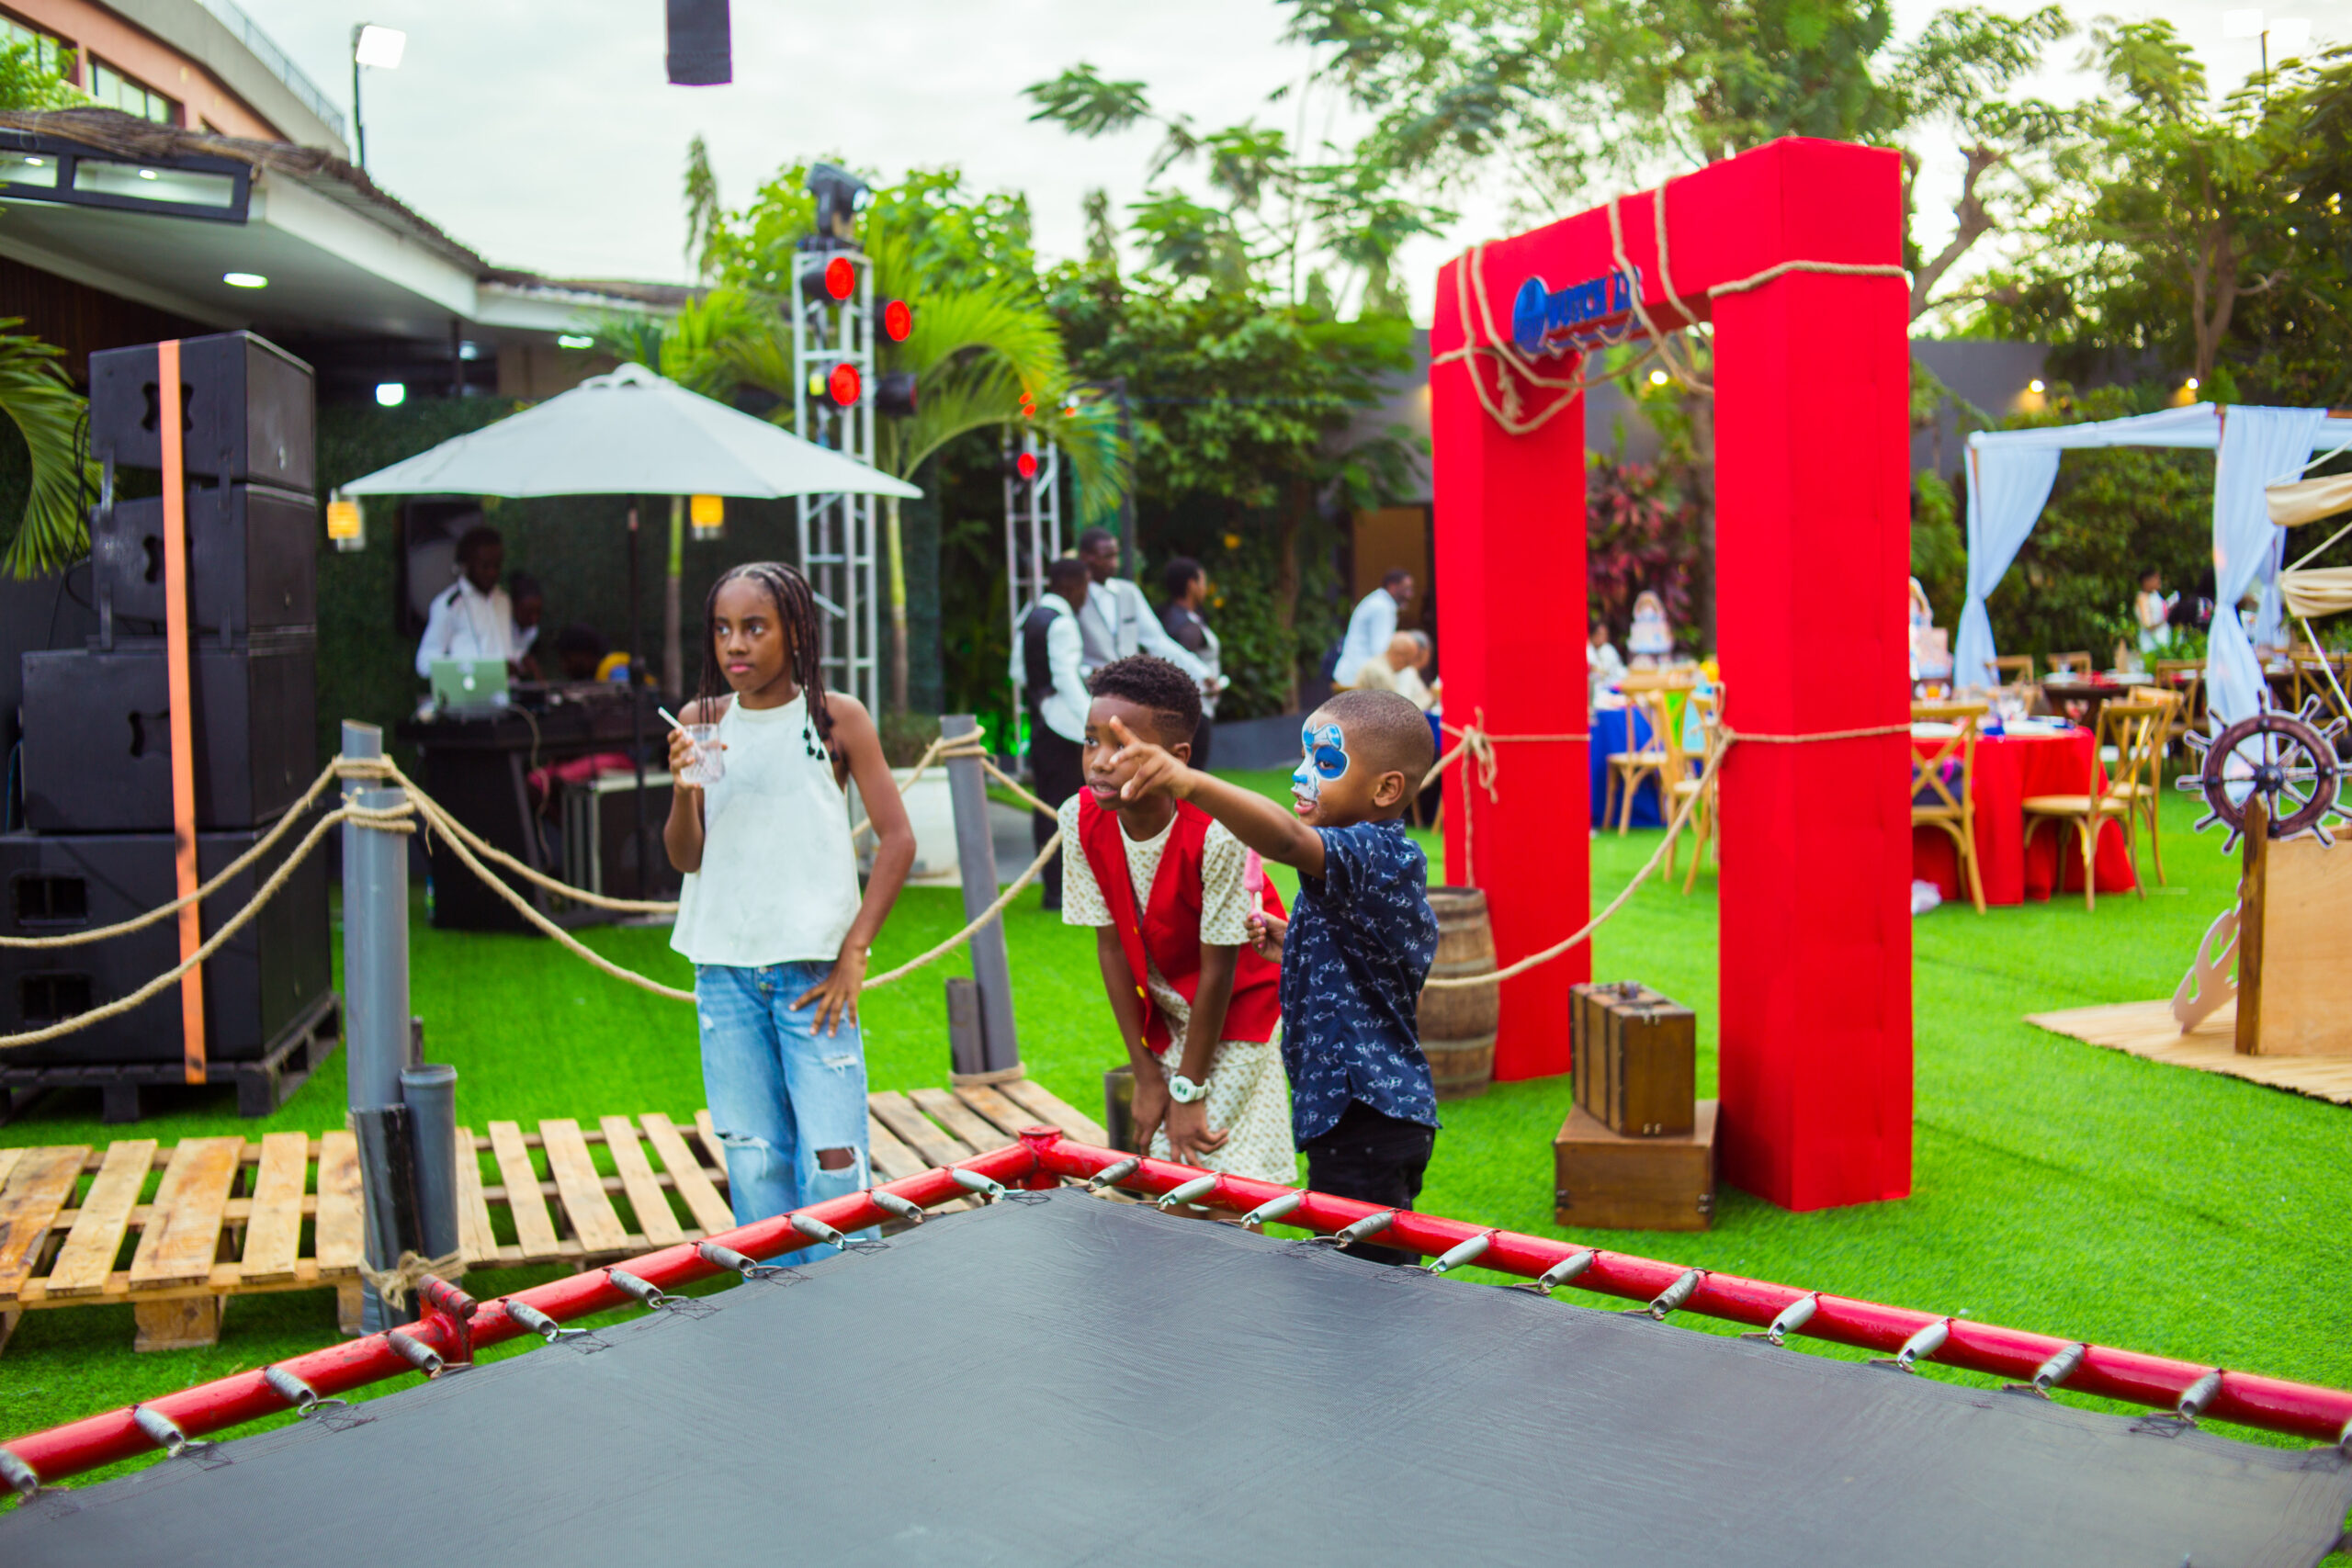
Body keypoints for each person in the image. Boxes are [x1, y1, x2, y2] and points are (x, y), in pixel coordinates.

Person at [1106, 687, 1441, 1265]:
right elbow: (1367, 965)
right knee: (1355, 1272)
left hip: (1368, 1117)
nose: (1301, 775)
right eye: (1304, 756)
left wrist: (1190, 784)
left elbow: (1286, 839)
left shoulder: (1377, 855)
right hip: (1350, 1119)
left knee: (1368, 1285)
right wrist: (1297, 944)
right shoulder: (1350, 868)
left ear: (1386, 790)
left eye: (1326, 763)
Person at [663, 561, 915, 1263]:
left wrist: (855, 951)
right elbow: (687, 856)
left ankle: (844, 1304)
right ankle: (773, 1307)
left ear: (796, 631)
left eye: (754, 627)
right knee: (753, 1158)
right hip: (724, 971)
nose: (735, 645)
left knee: (834, 1160)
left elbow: (897, 839)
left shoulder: (836, 719)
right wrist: (682, 789)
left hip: (814, 975)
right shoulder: (702, 722)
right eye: (722, 629)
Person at [1059, 656, 1295, 1182]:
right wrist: (1145, 1073)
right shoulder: (1079, 817)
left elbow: (1220, 971)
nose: (1100, 761)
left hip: (1239, 1009)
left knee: (1198, 1167)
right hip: (1167, 1014)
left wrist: (1188, 1089)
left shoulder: (1218, 833)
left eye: (1123, 747)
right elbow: (1111, 948)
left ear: (1177, 758)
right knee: (1190, 1174)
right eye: (1091, 740)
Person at [1023, 556, 1092, 911]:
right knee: (1068, 809)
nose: (1086, 595)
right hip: (1064, 728)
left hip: (1040, 722)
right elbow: (1065, 678)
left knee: (1046, 807)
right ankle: (1062, 890)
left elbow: (1018, 672)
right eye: (1085, 587)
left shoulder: (1032, 617)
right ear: (1071, 585)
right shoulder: (1062, 623)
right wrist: (1092, 722)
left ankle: (1053, 890)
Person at [414, 525, 522, 677]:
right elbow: (425, 662)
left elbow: (505, 648)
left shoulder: (503, 600)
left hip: (504, 691)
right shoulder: (449, 604)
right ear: (466, 565)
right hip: (469, 690)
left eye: (497, 565)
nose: (492, 572)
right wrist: (467, 669)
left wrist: (518, 660)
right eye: (485, 566)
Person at [1159, 556, 1223, 769]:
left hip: (1199, 708)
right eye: (1203, 581)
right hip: (1194, 711)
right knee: (1192, 773)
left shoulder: (1188, 618)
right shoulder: (1184, 625)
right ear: (1191, 584)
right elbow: (1179, 667)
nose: (1205, 588)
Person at [1336, 569, 1414, 692]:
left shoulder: (1378, 603)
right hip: (1359, 678)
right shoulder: (1382, 607)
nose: (1410, 595)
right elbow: (1381, 649)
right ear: (1392, 586)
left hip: (1355, 676)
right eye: (1406, 589)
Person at [1353, 633, 1436, 712]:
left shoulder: (1381, 665)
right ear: (1400, 656)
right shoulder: (1380, 673)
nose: (1406, 667)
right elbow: (1397, 712)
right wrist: (1430, 697)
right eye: (1407, 662)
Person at [508, 572, 545, 680]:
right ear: (514, 606)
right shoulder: (502, 627)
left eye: (538, 612)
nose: (534, 619)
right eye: (528, 613)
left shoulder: (533, 631)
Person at [1626, 589, 1672, 668]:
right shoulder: (1637, 626)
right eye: (1645, 605)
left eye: (1650, 605)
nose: (1648, 608)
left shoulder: (1661, 625)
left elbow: (1666, 643)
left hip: (1659, 657)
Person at [2136, 569, 2177, 656]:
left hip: (2162, 643)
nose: (2159, 581)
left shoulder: (2156, 596)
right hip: (2150, 645)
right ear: (2146, 581)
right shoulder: (2142, 598)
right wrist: (2166, 618)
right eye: (2155, 578)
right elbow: (2148, 625)